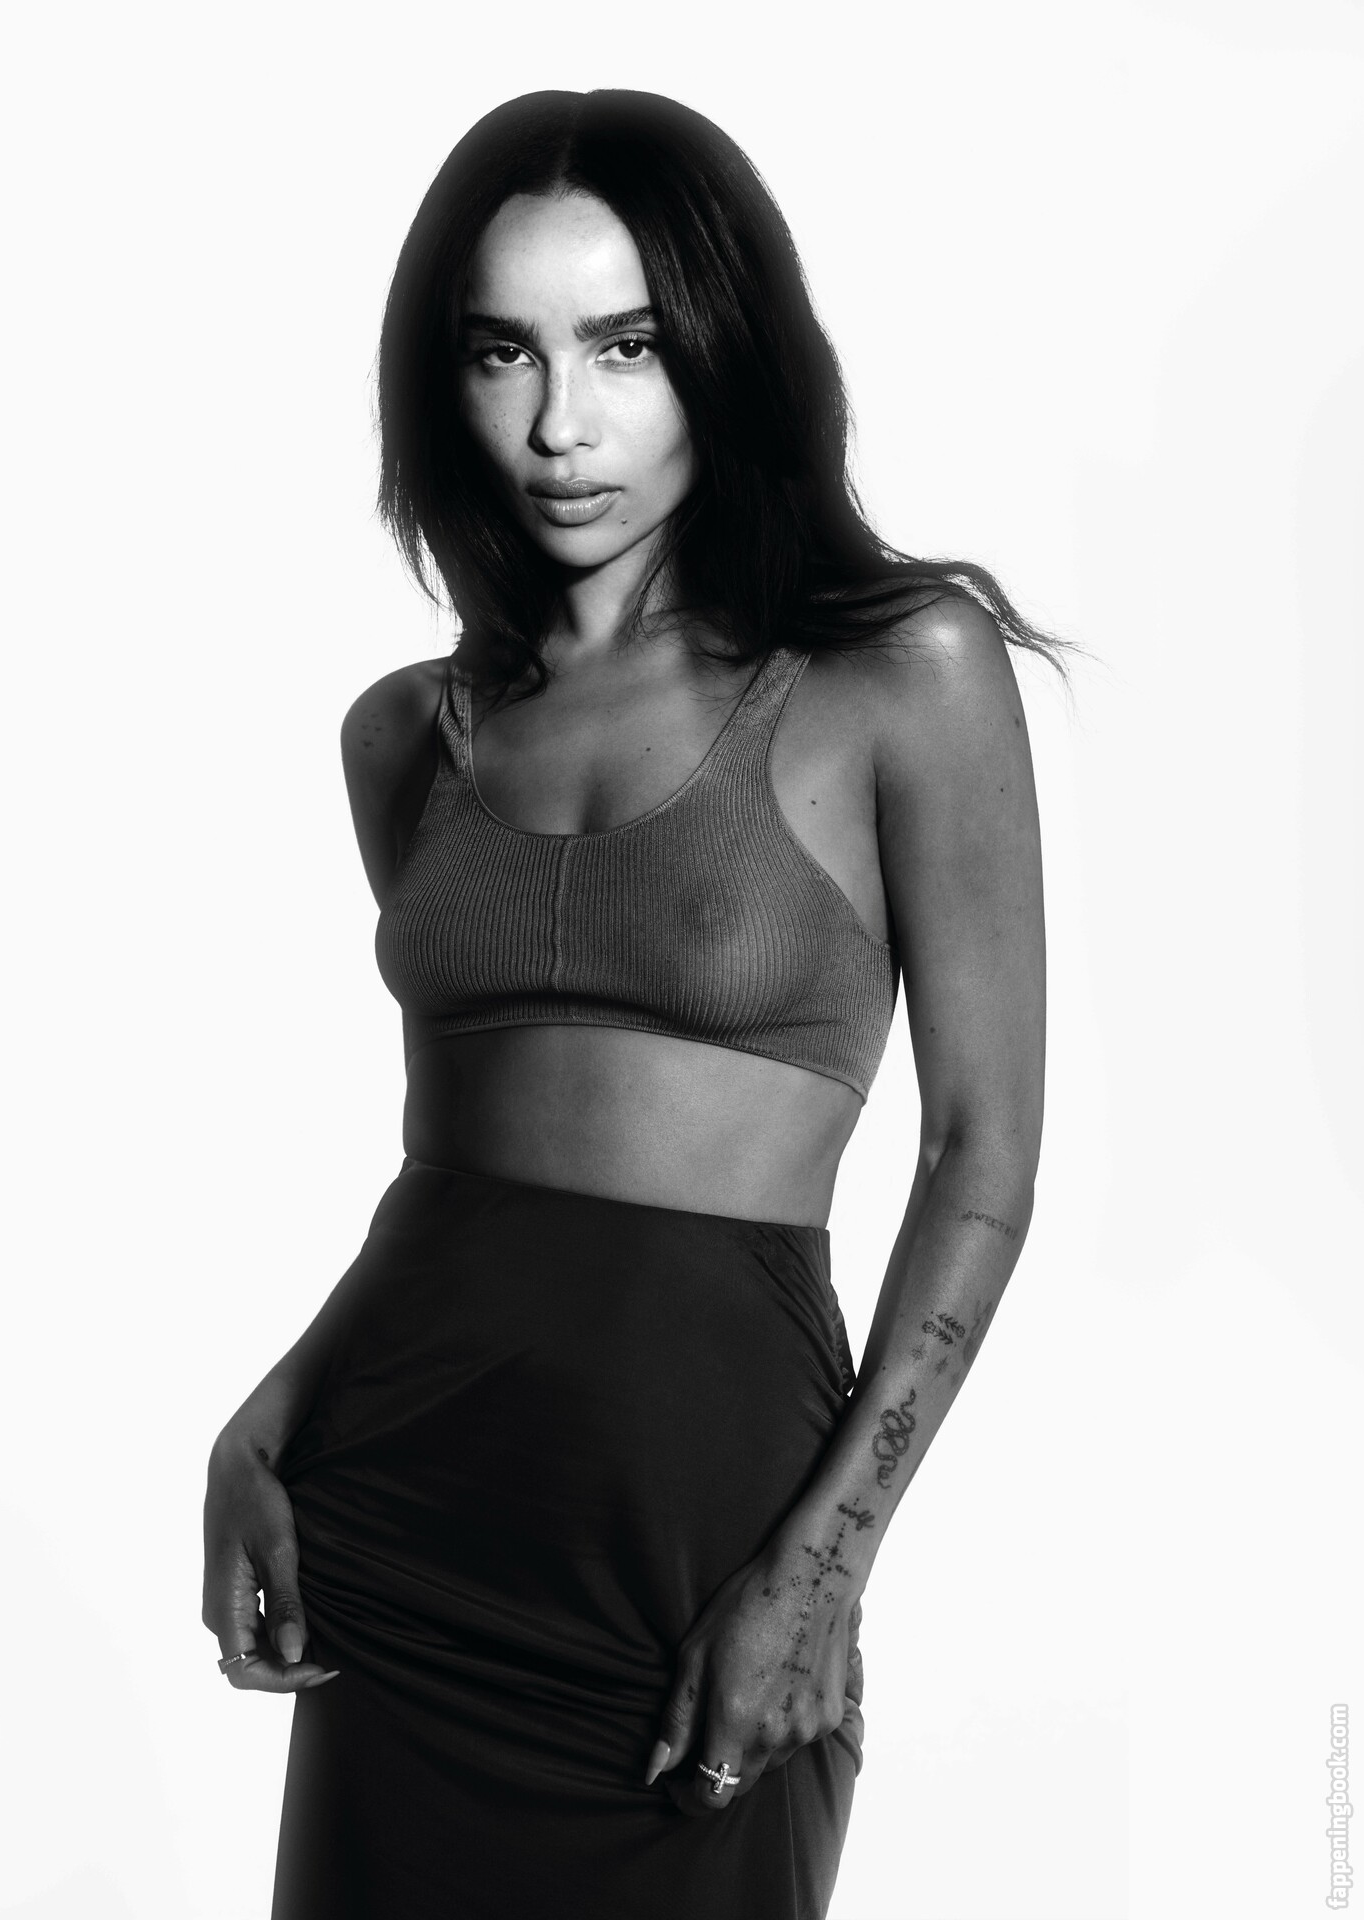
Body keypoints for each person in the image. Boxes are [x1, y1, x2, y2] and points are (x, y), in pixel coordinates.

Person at [202, 88, 1055, 1920]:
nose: (560, 425)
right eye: (502, 351)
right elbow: (454, 1177)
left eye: (626, 347)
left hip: (701, 1569)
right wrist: (269, 1414)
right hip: (398, 1538)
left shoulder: (900, 674)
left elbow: (981, 1157)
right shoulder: (405, 737)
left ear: (724, 354)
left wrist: (820, 1572)